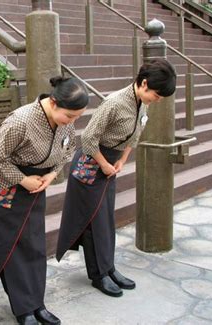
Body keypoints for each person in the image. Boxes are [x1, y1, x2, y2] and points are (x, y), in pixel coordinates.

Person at [56, 59, 177, 297]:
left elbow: (135, 134)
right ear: (143, 83)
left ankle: (108, 268)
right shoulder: (114, 103)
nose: (158, 100)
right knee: (93, 222)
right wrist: (104, 164)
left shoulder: (143, 103)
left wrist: (122, 160)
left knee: (105, 220)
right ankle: (99, 274)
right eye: (157, 95)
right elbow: (89, 138)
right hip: (90, 166)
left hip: (111, 164)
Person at [0, 76, 89, 325]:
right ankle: (23, 308)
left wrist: (51, 175)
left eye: (76, 118)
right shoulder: (20, 120)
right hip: (9, 187)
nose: (72, 122)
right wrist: (22, 179)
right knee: (13, 247)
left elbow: (70, 147)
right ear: (53, 102)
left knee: (34, 245)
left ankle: (36, 303)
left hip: (37, 186)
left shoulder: (64, 122)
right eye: (69, 116)